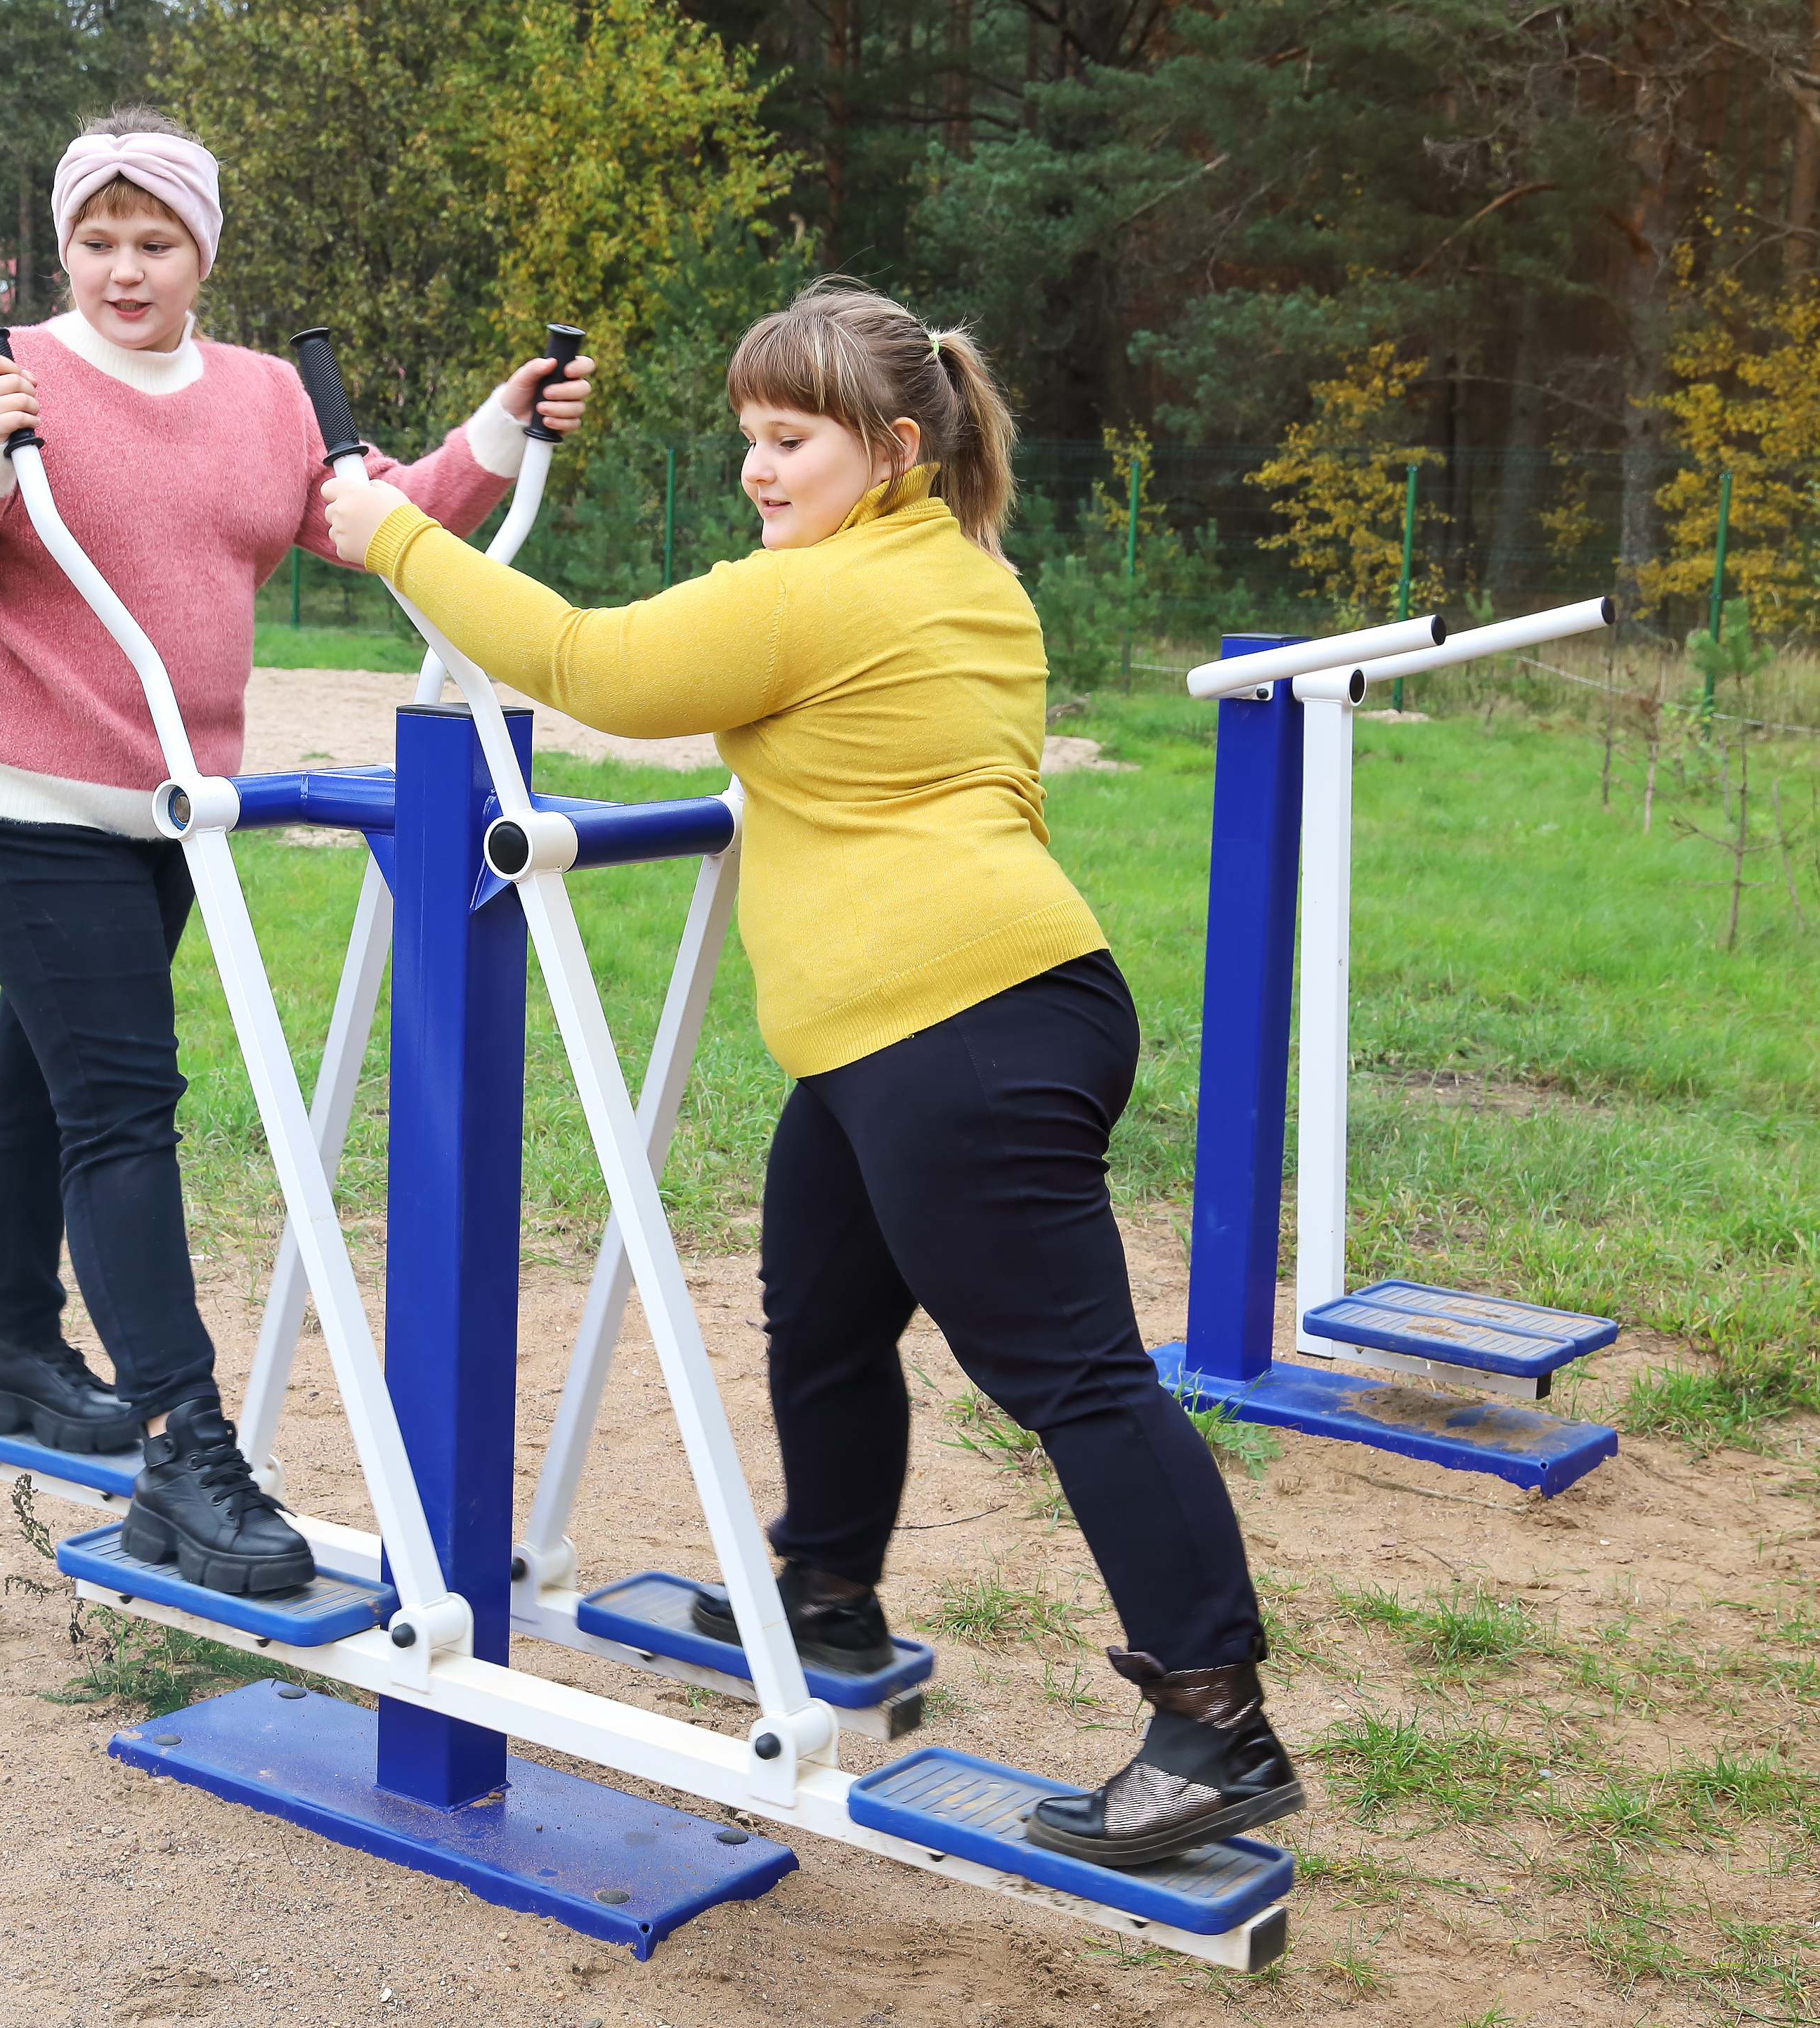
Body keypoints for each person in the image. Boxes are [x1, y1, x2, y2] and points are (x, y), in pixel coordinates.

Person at [316, 282, 1294, 1869]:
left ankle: (1215, 1725)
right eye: (749, 441)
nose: (759, 471)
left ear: (893, 446)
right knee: (823, 1305)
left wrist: (389, 533)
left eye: (792, 440)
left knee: (1076, 1380)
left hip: (955, 1028)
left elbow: (592, 665)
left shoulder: (830, 595)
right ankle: (825, 1586)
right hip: (928, 1026)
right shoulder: (957, 569)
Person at [0, 108, 596, 1598]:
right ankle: (187, 1450)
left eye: (157, 241)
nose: (125, 271)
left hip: (174, 799)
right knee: (122, 1097)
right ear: (62, 246)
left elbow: (375, 516)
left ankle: (15, 1356)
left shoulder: (260, 396)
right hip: (12, 786)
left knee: (48, 1065)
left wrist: (501, 429)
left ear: (205, 253)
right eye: (97, 240)